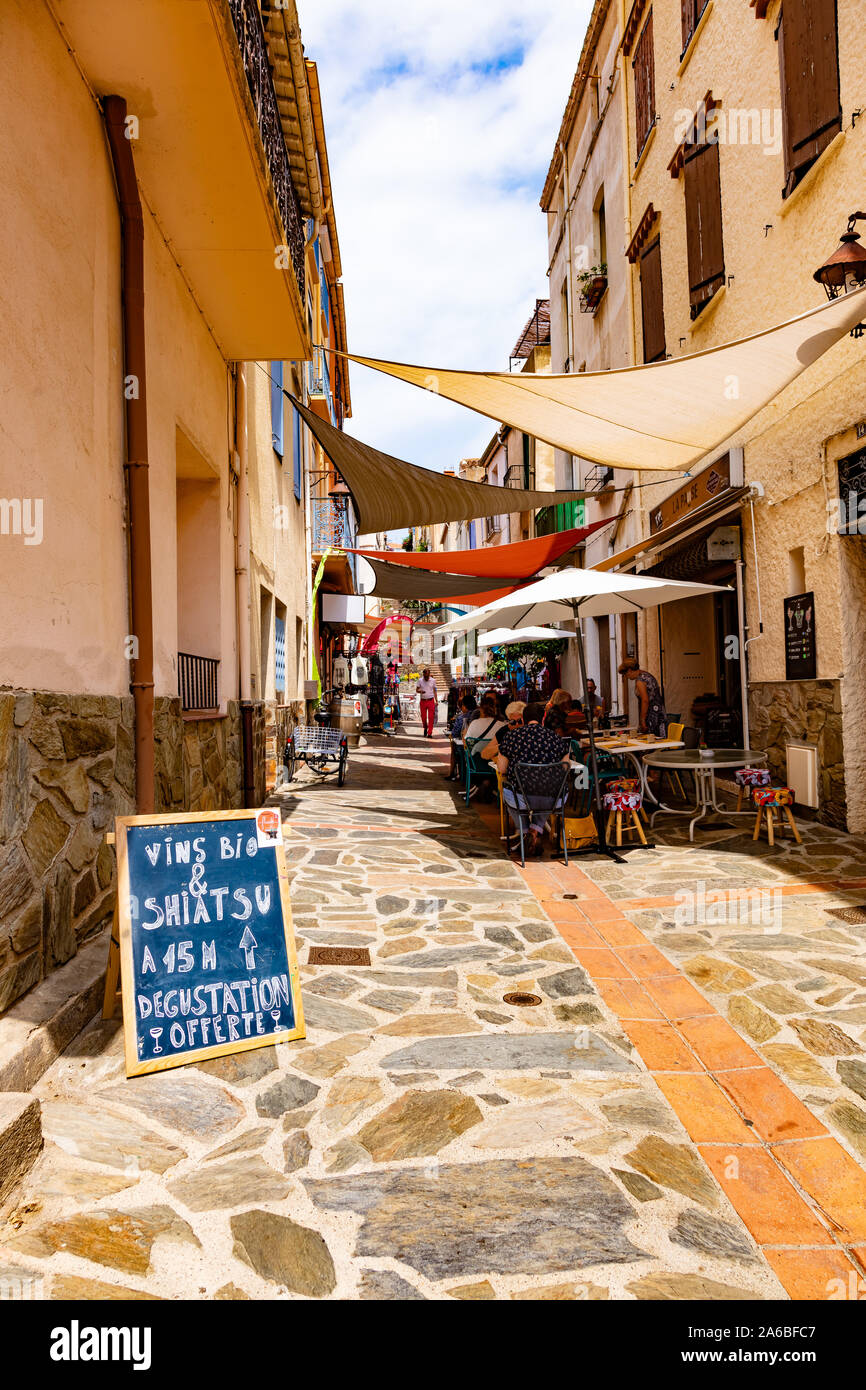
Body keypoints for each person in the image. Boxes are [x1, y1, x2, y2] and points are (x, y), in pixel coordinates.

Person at [497, 702, 571, 858]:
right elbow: (566, 767)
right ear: (543, 720)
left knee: (508, 790)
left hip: (521, 798)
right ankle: (535, 830)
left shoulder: (512, 736)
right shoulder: (556, 738)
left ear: (523, 720)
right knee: (546, 789)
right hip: (553, 800)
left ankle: (524, 832)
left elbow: (501, 769)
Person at [618, 658, 667, 735]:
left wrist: (642, 720)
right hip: (659, 713)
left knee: (652, 741)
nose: (626, 677)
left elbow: (645, 700)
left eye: (625, 674)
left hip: (652, 716)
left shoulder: (640, 680)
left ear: (630, 670)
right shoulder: (646, 675)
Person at [416, 667, 438, 738]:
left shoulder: (433, 680)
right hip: (423, 701)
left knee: (431, 717)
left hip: (431, 700)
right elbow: (417, 690)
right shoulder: (420, 680)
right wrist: (420, 691)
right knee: (423, 717)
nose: (426, 678)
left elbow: (435, 691)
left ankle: (429, 733)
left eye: (427, 676)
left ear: (429, 675)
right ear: (423, 674)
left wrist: (436, 700)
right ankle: (425, 727)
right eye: (425, 676)